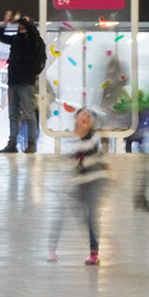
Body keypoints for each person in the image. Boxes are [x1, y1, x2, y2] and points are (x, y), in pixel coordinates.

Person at [47, 109, 108, 266]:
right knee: (61, 213)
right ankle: (51, 251)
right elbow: (70, 163)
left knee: (91, 217)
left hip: (94, 181)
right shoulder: (70, 141)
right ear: (76, 119)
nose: (86, 118)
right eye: (83, 116)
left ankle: (94, 253)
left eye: (89, 117)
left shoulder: (93, 137)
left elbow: (87, 152)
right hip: (78, 183)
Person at [0, 13, 46, 153]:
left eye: (25, 22)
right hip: (13, 80)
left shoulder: (34, 40)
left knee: (29, 113)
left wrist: (20, 18)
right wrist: (5, 23)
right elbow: (0, 36)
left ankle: (31, 143)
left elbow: (32, 31)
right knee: (13, 114)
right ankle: (12, 142)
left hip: (26, 81)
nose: (21, 24)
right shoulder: (16, 39)